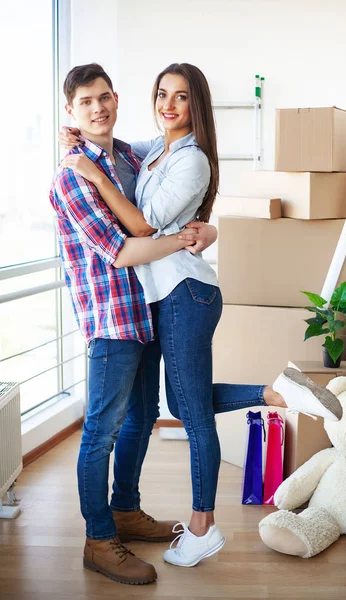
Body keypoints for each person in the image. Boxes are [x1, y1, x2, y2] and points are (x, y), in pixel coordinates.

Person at [61, 61, 343, 570]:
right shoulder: (142, 152)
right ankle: (275, 393)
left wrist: (198, 232)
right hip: (139, 305)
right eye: (163, 94)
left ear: (198, 105)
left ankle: (203, 527)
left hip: (182, 293)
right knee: (171, 404)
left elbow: (143, 227)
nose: (169, 105)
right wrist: (82, 145)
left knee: (188, 416)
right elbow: (124, 223)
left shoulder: (186, 160)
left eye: (182, 97)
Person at [50, 62, 218, 587]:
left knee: (142, 418)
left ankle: (125, 509)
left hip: (146, 312)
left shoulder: (128, 154)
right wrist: (189, 240)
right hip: (110, 319)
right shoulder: (72, 179)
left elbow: (179, 155)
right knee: (100, 432)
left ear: (117, 99)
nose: (97, 108)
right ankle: (99, 539)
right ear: (71, 111)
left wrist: (209, 226)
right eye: (85, 103)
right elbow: (123, 250)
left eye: (104, 98)